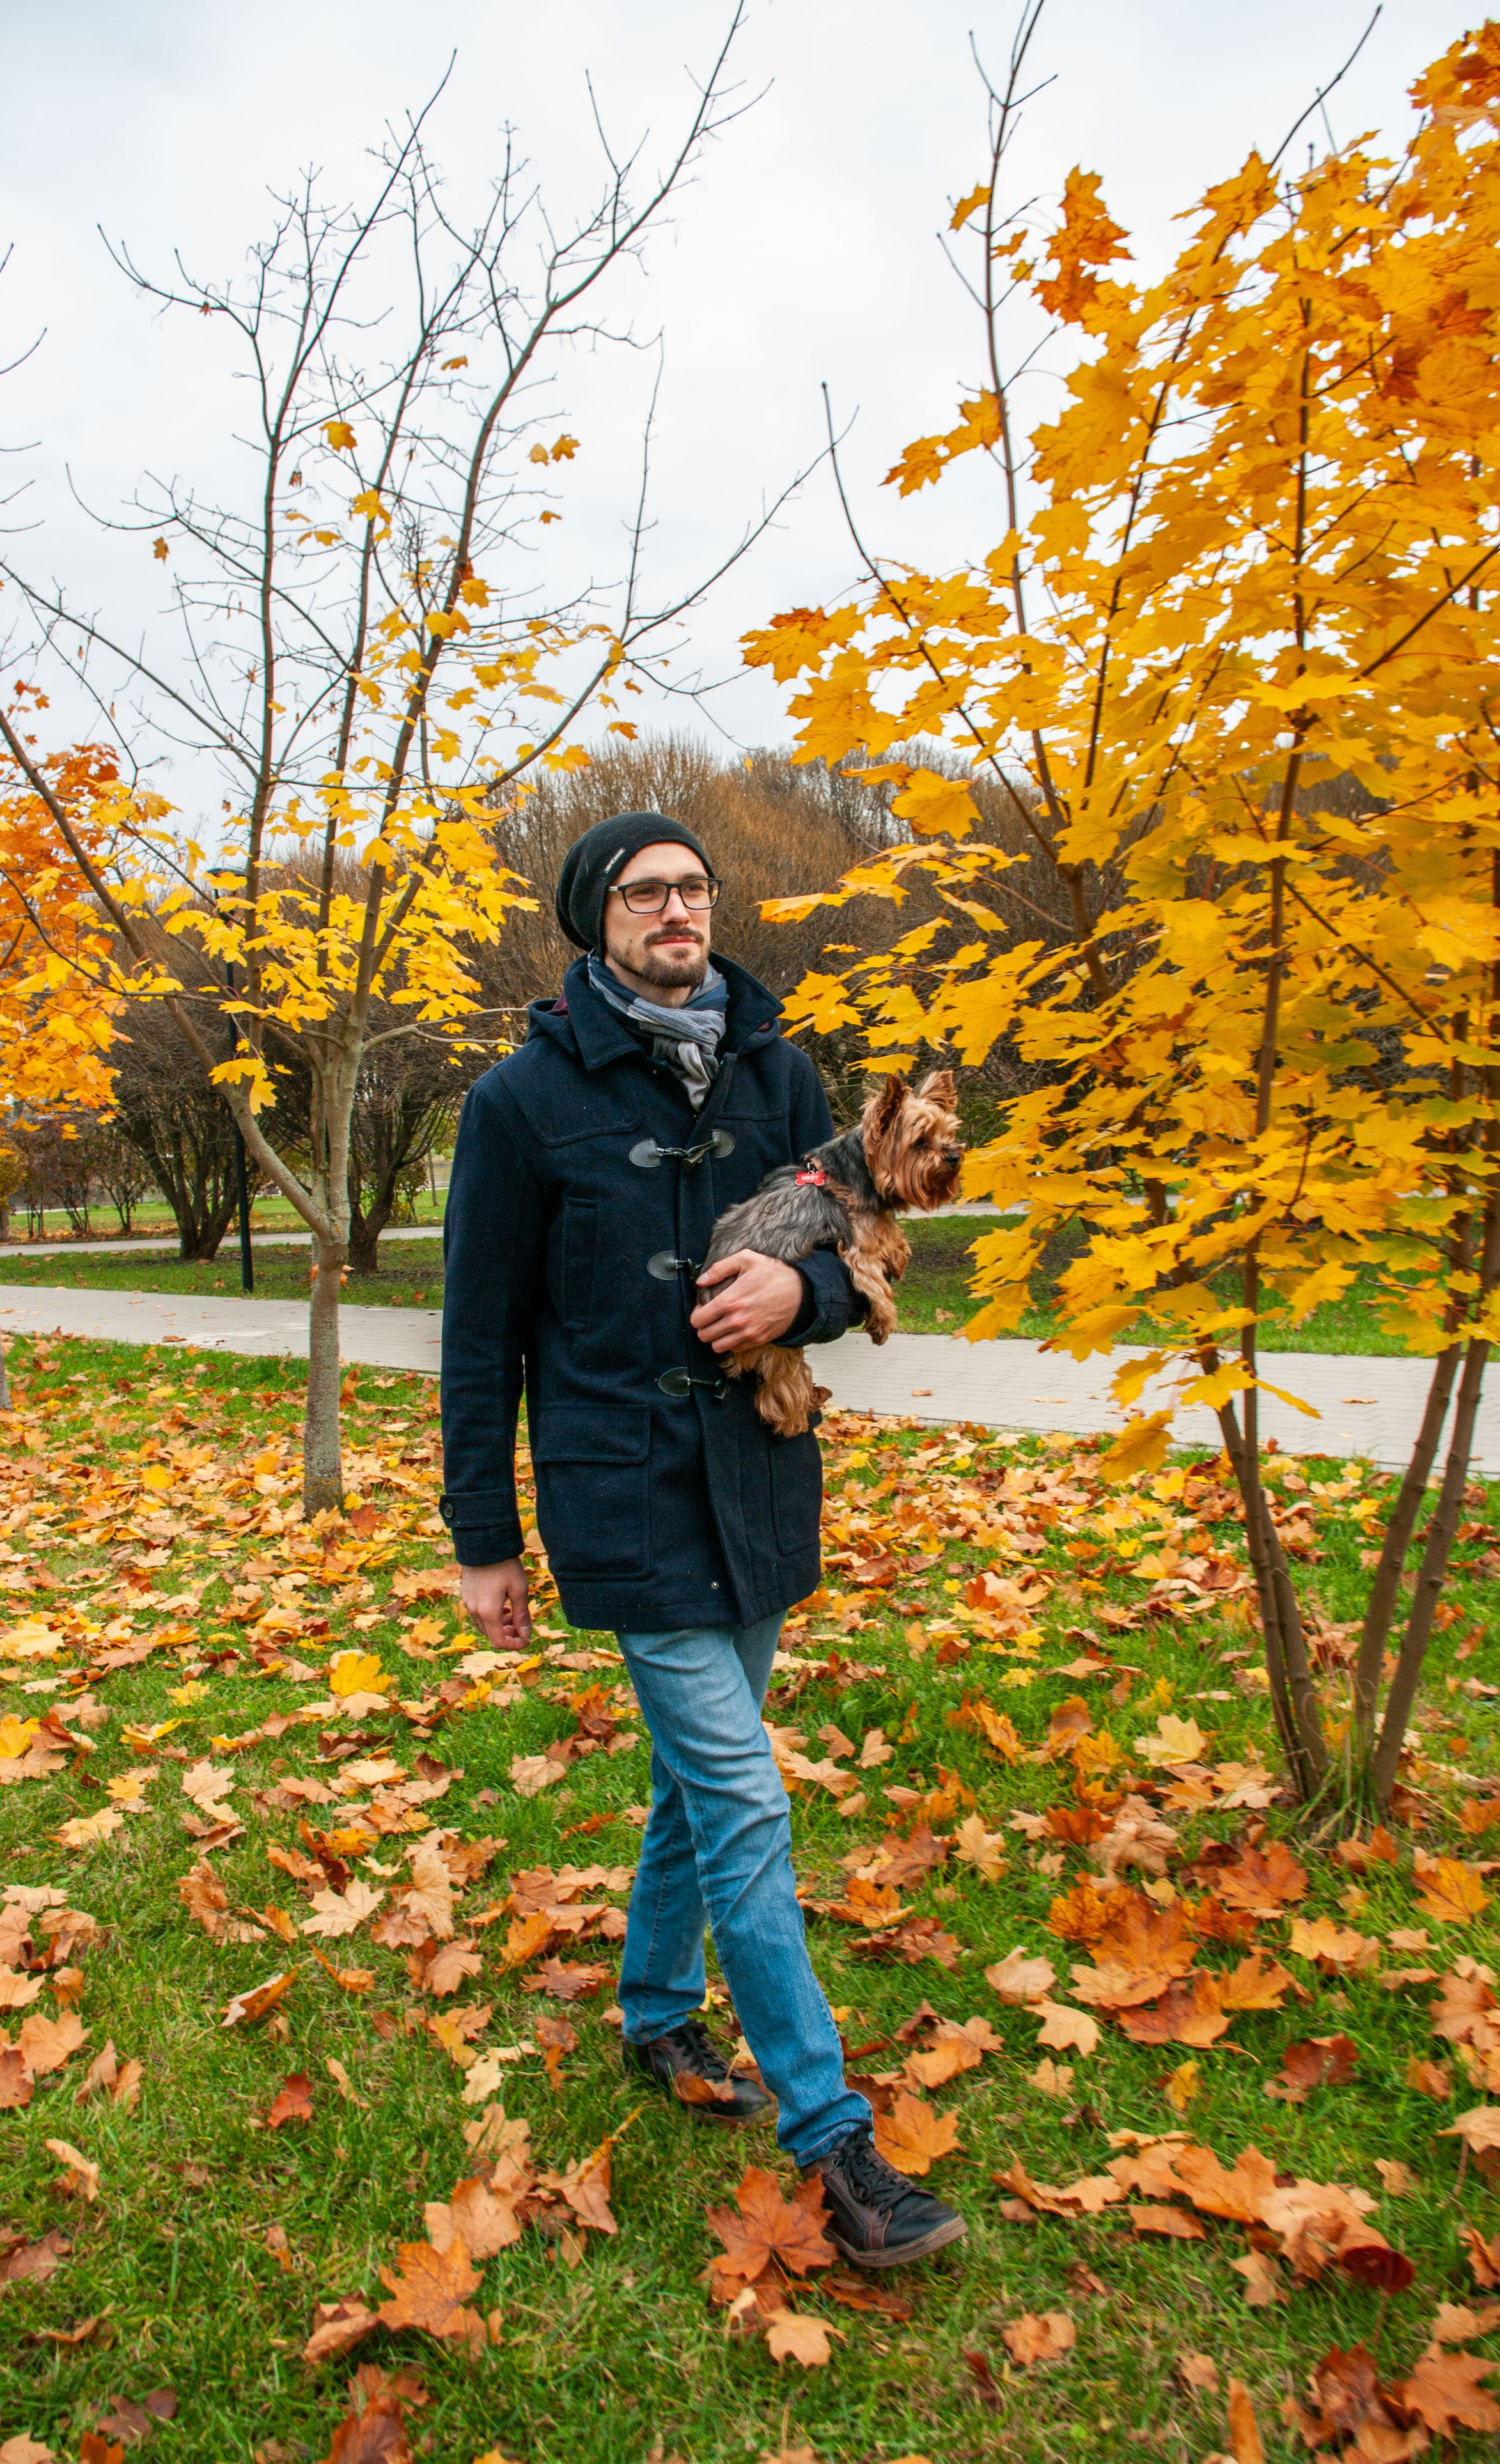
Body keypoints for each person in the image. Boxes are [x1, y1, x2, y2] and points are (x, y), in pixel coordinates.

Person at [438, 809, 964, 2270]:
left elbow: (847, 1253)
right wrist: (484, 1537)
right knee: (741, 1798)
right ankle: (834, 2140)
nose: (676, 907)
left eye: (691, 886)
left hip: (757, 1482)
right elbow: (478, 1337)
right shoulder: (520, 1101)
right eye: (643, 890)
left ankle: (656, 2012)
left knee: (693, 1776)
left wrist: (802, 1303)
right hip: (620, 1493)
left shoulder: (776, 1067)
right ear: (595, 920)